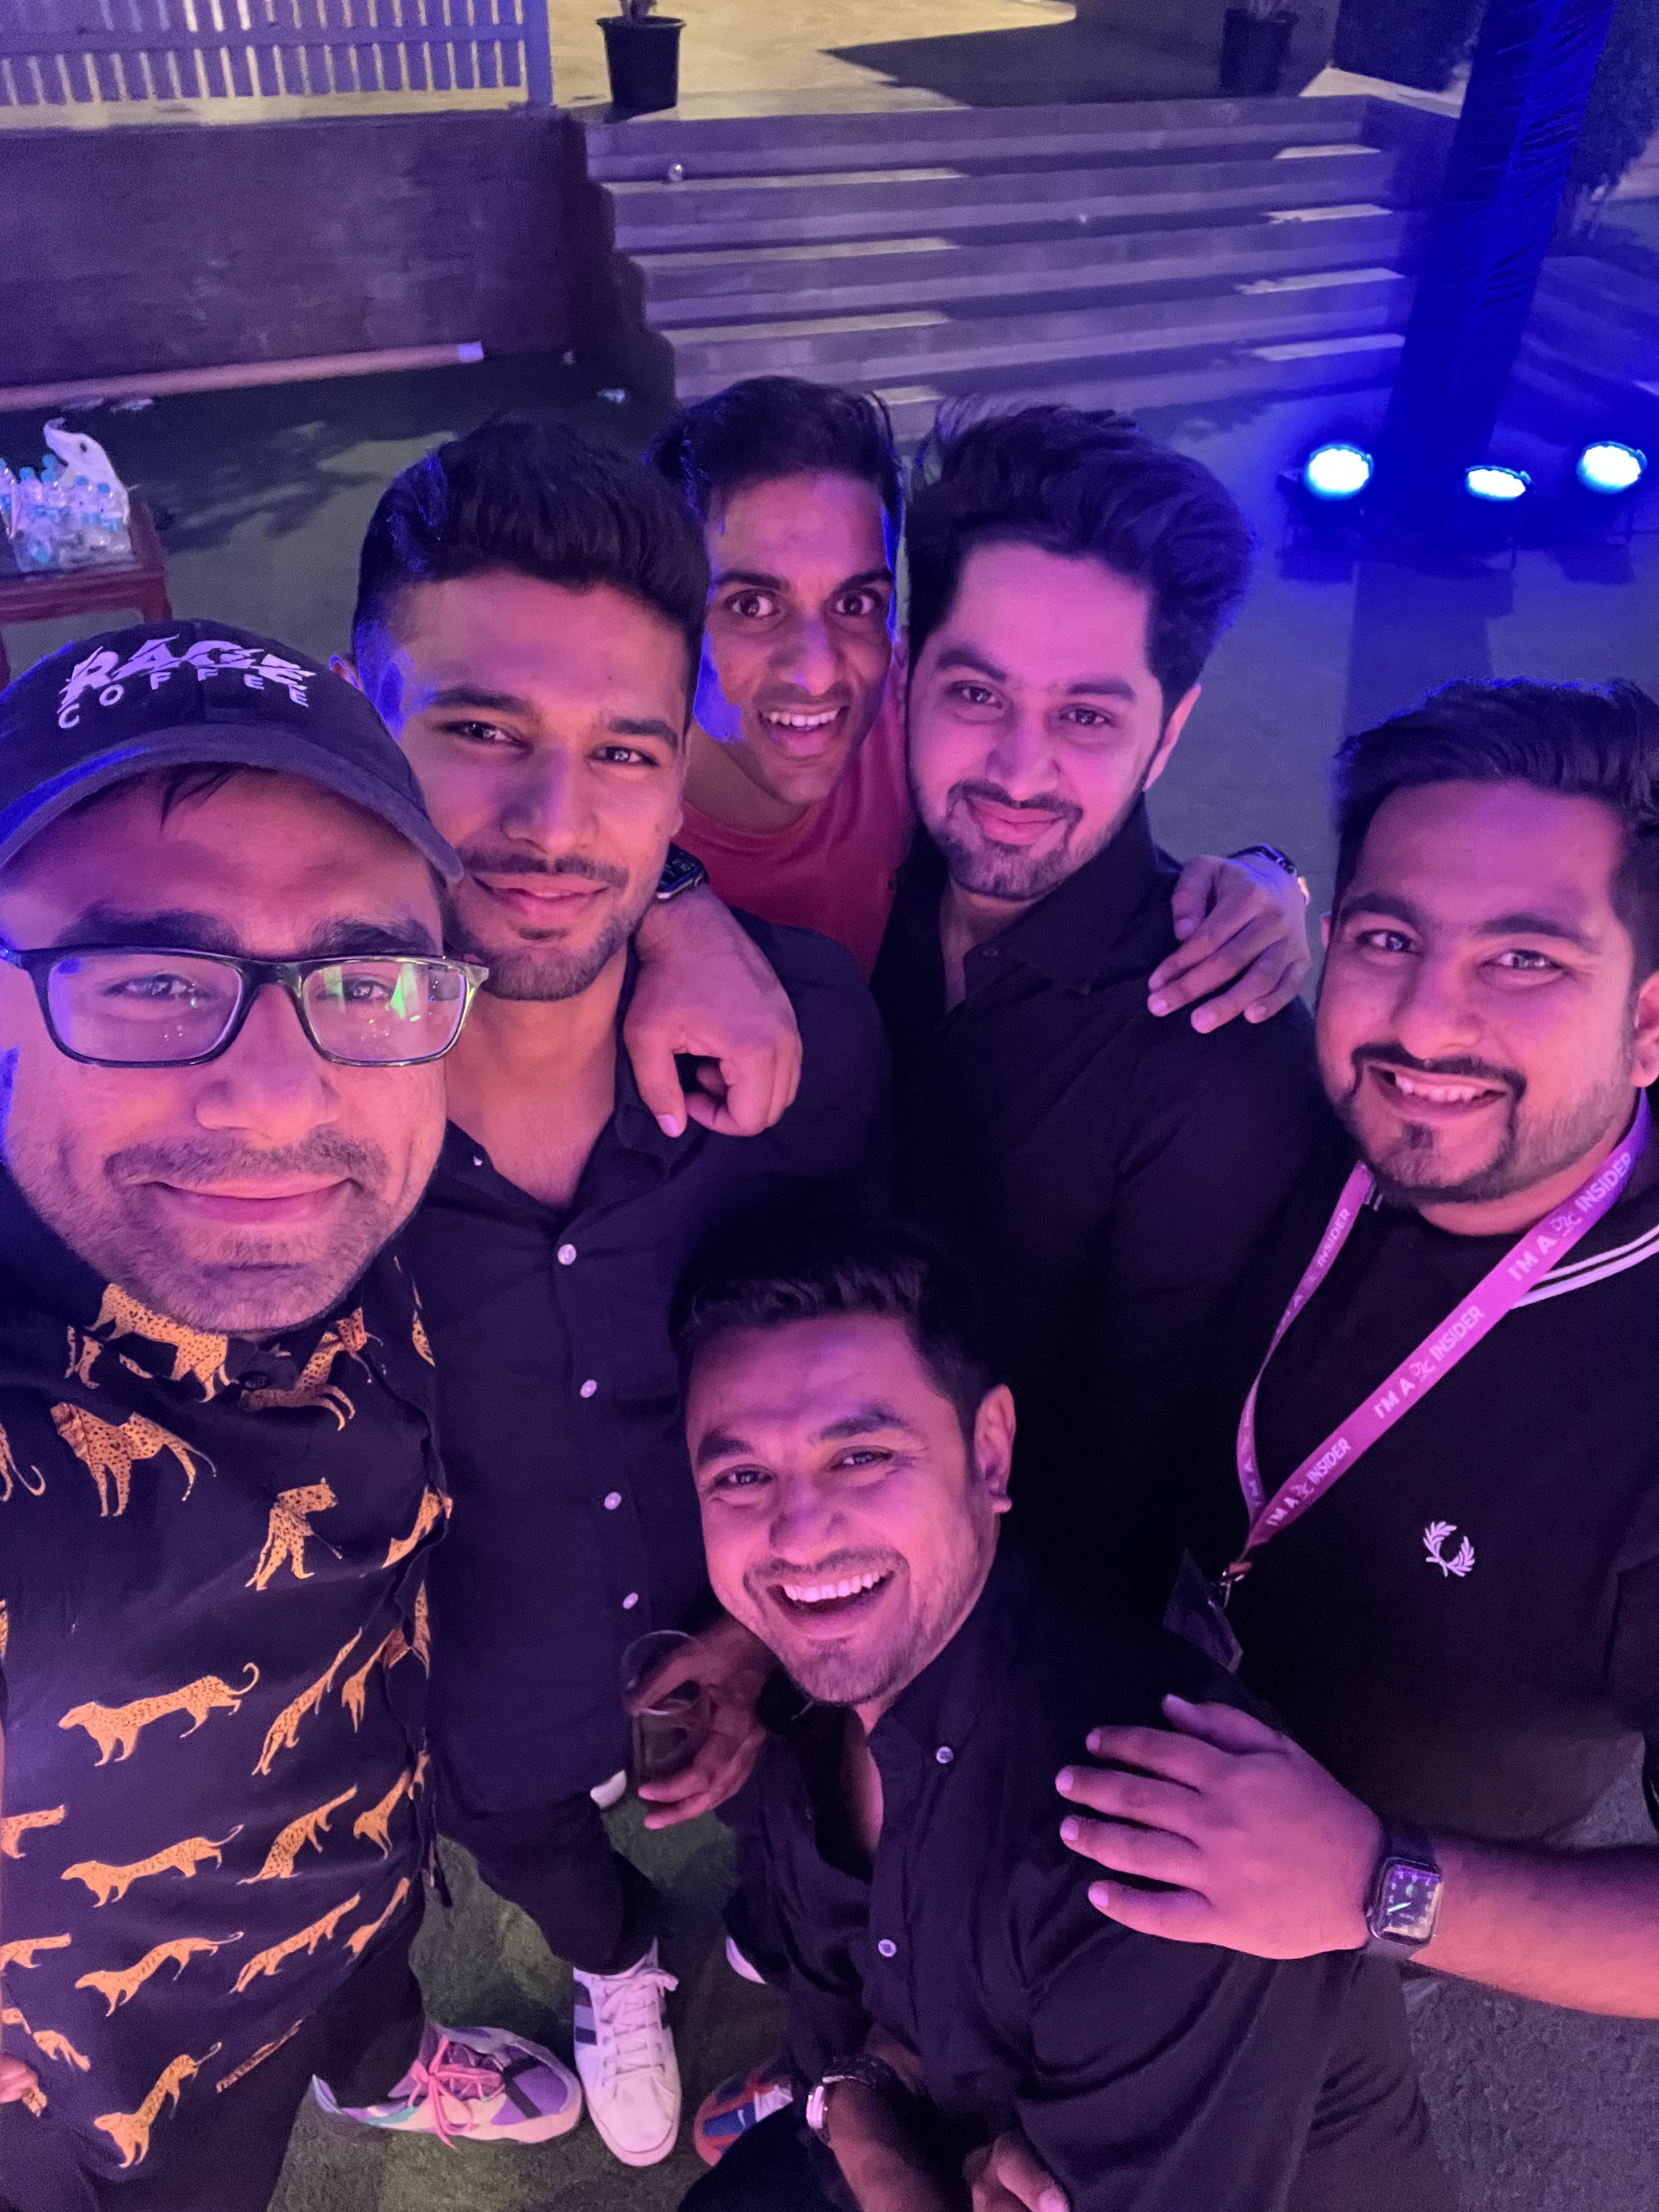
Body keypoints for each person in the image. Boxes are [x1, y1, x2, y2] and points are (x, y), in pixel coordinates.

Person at [340, 420, 890, 2168]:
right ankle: (618, 1966)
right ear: (359, 720)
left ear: (676, 780)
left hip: (758, 1625)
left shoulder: (804, 1043)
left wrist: (761, 1633)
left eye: (624, 752)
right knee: (531, 1836)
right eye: (478, 731)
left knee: (792, 1825)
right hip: (480, 1686)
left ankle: (772, 1944)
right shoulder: (267, 1123)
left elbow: (875, 1342)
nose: (551, 824)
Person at [0, 621, 575, 2212]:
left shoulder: (351, 1176)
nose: (276, 1099)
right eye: (148, 977)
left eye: (362, 975)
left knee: (359, 1972)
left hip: (357, 1845)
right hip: (122, 2096)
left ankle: (380, 2050)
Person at [1050, 679, 1659, 2026]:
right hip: (1140, 1686)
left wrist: (1380, 1886)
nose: (1424, 1024)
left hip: (1373, 1886)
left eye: (1524, 960)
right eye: (1389, 938)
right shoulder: (1291, 1109)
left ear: (1649, 1020)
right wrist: (1254, 878)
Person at [672, 1220, 1453, 2212]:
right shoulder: (790, 1710)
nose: (797, 1533)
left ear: (989, 1456)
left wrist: (873, 2122)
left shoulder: (1151, 1834)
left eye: (862, 1456)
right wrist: (861, 2118)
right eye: (741, 1477)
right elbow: (835, 2041)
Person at [871, 406, 1327, 1616]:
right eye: (977, 692)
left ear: (1168, 733)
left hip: (992, 1631)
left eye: (1086, 715)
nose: (1019, 772)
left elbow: (1121, 1500)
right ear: (909, 678)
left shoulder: (1217, 1060)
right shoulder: (854, 894)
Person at [645, 375, 1313, 1016]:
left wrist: (1263, 880)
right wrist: (671, 902)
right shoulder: (606, 790)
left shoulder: (908, 708)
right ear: (671, 614)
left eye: (856, 603)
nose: (817, 674)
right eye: (752, 605)